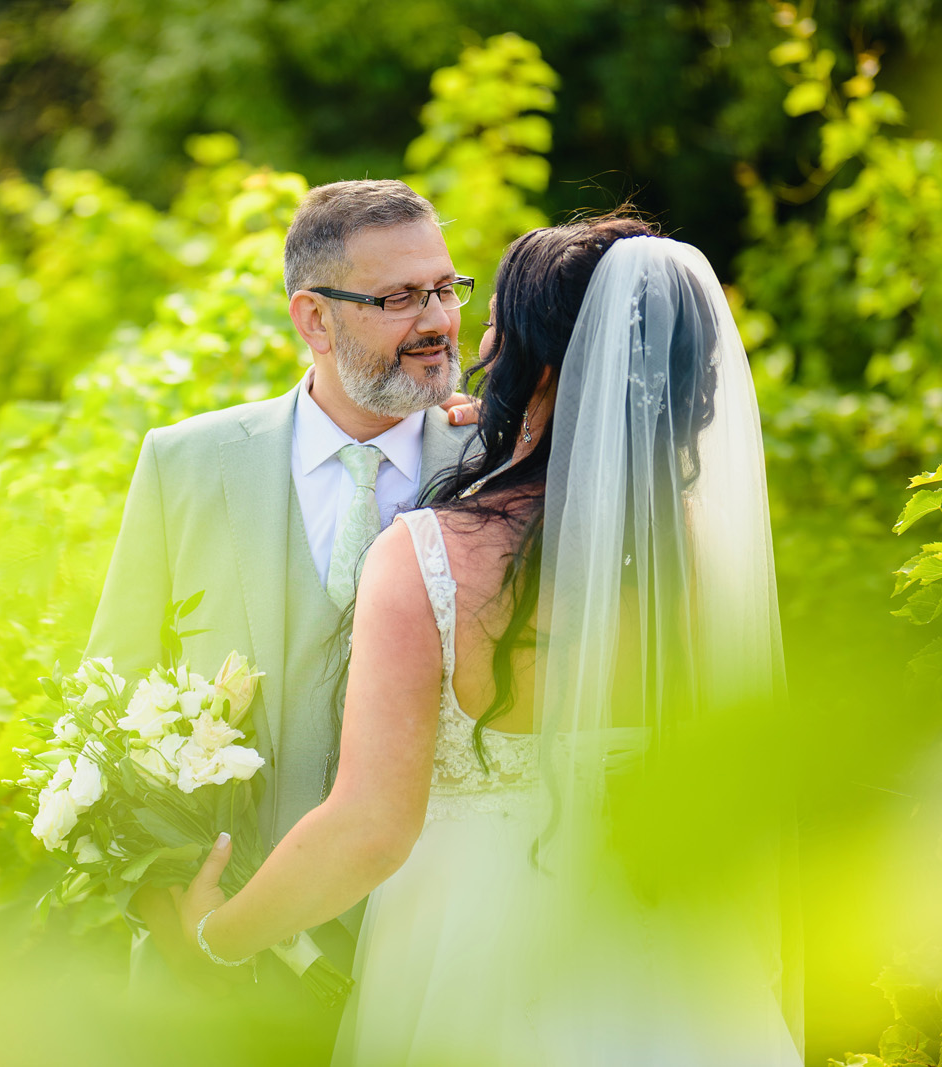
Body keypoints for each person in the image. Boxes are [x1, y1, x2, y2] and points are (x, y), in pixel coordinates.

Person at [171, 218, 805, 1065]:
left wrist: (216, 933)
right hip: (680, 965)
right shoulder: (702, 554)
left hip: (472, 968)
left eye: (499, 330)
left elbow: (369, 827)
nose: (479, 352)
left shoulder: (430, 556)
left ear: (543, 366)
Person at [84, 180, 477, 1034]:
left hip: (442, 960)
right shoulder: (184, 464)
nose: (439, 320)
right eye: (399, 297)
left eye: (447, 288)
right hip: (214, 976)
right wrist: (171, 912)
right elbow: (106, 708)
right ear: (313, 318)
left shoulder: (503, 467)